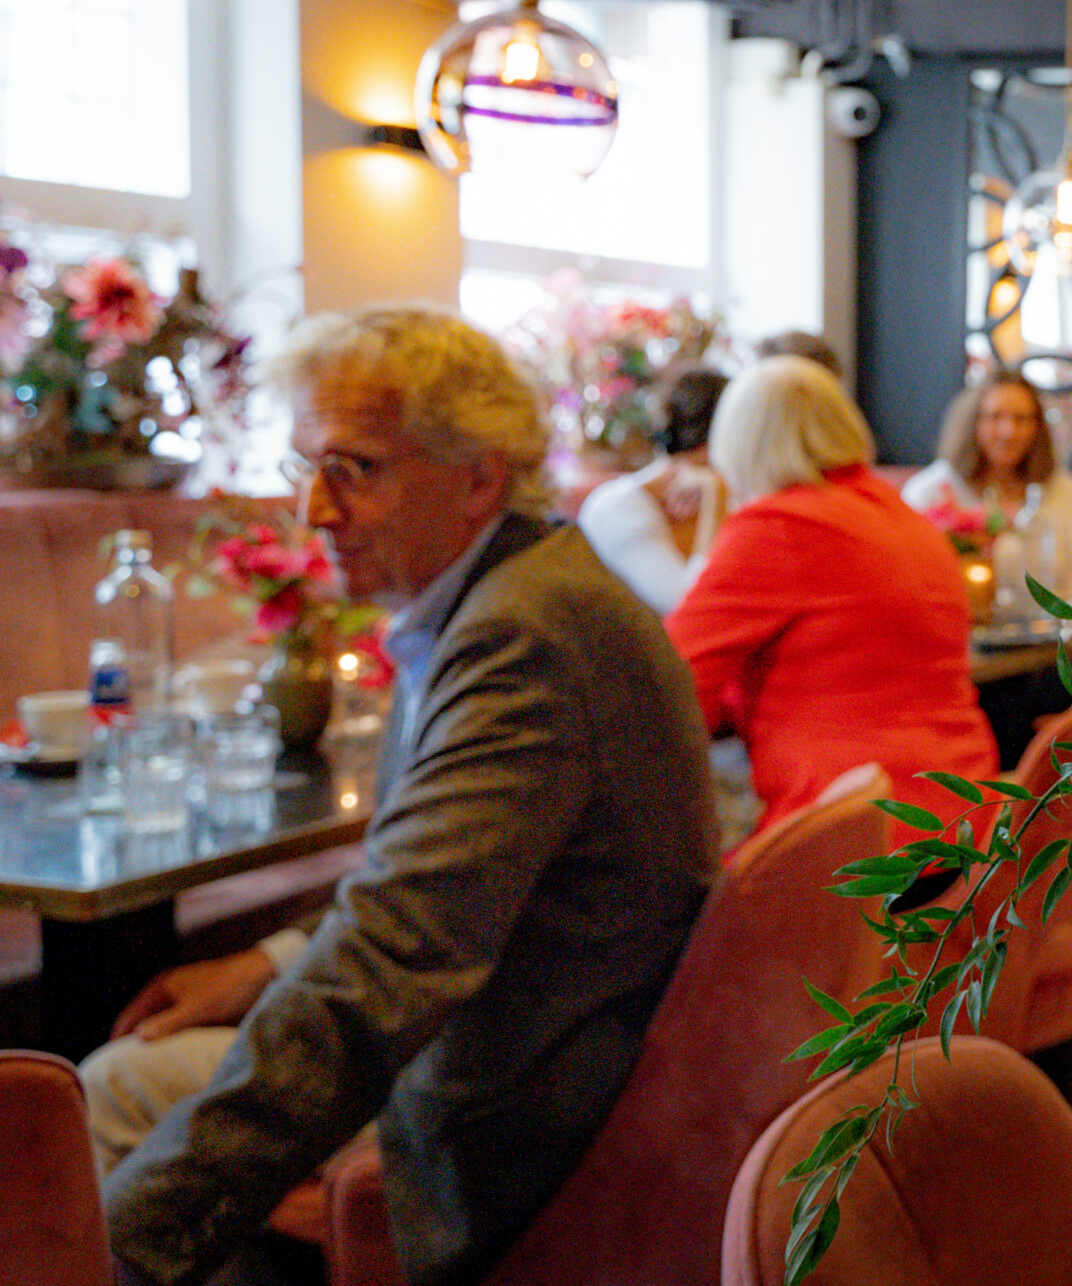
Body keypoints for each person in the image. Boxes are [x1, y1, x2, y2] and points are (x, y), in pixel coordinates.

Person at [90, 306, 719, 1286]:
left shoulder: (525, 635)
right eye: (308, 468)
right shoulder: (513, 592)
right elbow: (440, 887)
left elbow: (395, 958)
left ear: (476, 479)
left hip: (515, 1114)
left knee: (106, 1093)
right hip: (551, 1053)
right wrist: (264, 957)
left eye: (357, 469)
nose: (314, 512)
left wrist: (136, 1247)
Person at [667, 357, 998, 840]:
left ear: (738, 445)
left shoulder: (776, 528)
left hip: (849, 845)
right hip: (963, 827)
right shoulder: (906, 519)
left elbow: (670, 690)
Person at [901, 368, 1072, 596]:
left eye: (1021, 419)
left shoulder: (1067, 491)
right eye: (995, 417)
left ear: (1038, 427)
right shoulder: (928, 491)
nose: (1008, 431)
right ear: (972, 421)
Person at [577, 367, 729, 614]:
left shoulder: (699, 498)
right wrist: (715, 495)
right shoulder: (618, 509)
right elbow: (692, 609)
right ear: (713, 445)